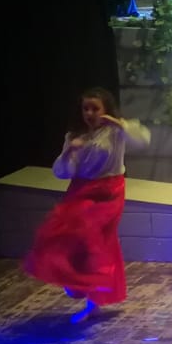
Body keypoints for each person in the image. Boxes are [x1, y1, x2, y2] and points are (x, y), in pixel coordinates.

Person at [23, 87, 150, 324]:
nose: (90, 113)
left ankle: (93, 301)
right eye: (86, 109)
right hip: (81, 189)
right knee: (63, 234)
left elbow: (143, 139)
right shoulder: (75, 136)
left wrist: (117, 122)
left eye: (95, 108)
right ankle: (77, 283)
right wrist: (70, 151)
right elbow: (63, 172)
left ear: (105, 110)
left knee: (95, 239)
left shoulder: (115, 131)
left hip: (109, 192)